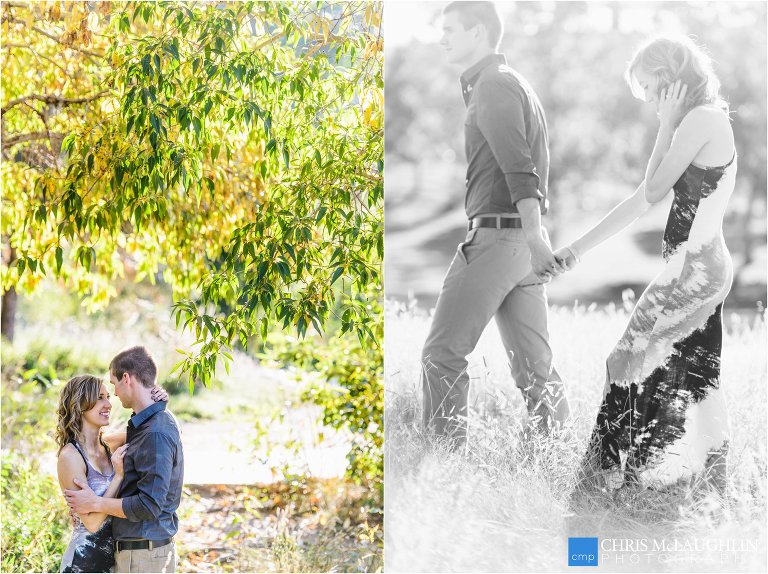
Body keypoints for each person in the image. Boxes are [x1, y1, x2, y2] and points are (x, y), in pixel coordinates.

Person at [555, 36, 736, 493]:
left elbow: (653, 192)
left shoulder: (699, 120)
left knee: (629, 361)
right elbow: (642, 199)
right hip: (695, 267)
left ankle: (618, 476)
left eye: (651, 88)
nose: (650, 101)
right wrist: (576, 250)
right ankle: (696, 482)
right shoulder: (696, 121)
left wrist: (665, 126)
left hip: (695, 269)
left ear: (671, 77)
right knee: (697, 376)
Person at [420, 0, 570, 449]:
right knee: (535, 368)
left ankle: (443, 464)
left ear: (478, 32)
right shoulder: (512, 82)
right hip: (520, 244)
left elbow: (520, 168)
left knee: (440, 355)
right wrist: (533, 238)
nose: (442, 38)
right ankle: (556, 456)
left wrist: (533, 235)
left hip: (499, 239)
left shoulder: (493, 86)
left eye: (450, 29)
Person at [65, 346, 184, 573]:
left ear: (126, 378)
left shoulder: (153, 431)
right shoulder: (138, 429)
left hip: (142, 554)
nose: (113, 398)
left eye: (112, 387)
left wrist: (97, 502)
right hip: (112, 555)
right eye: (100, 397)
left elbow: (149, 505)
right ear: (80, 407)